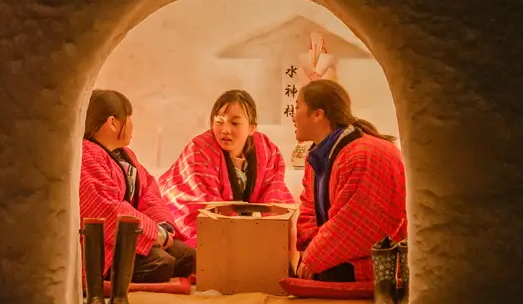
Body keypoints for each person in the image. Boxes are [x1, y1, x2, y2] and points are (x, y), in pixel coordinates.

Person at [290, 78, 407, 283]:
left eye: (297, 107)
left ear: (318, 114)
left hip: (374, 262)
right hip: (336, 255)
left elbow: (355, 223)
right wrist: (310, 248)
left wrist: (314, 257)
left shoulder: (365, 153)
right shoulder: (316, 157)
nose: (293, 116)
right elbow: (308, 208)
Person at [77, 88, 194, 283]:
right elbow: (105, 207)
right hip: (106, 244)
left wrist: (162, 226)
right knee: (161, 264)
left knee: (188, 257)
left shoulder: (126, 155)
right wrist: (153, 233)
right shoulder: (87, 154)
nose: (131, 124)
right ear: (112, 122)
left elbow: (148, 190)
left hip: (135, 232)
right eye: (128, 117)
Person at [156, 89, 293, 250]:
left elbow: (274, 195)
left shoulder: (266, 149)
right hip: (192, 231)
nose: (225, 130)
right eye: (219, 121)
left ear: (252, 128)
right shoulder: (200, 149)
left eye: (235, 123)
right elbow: (201, 207)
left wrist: (261, 231)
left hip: (247, 229)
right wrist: (244, 234)